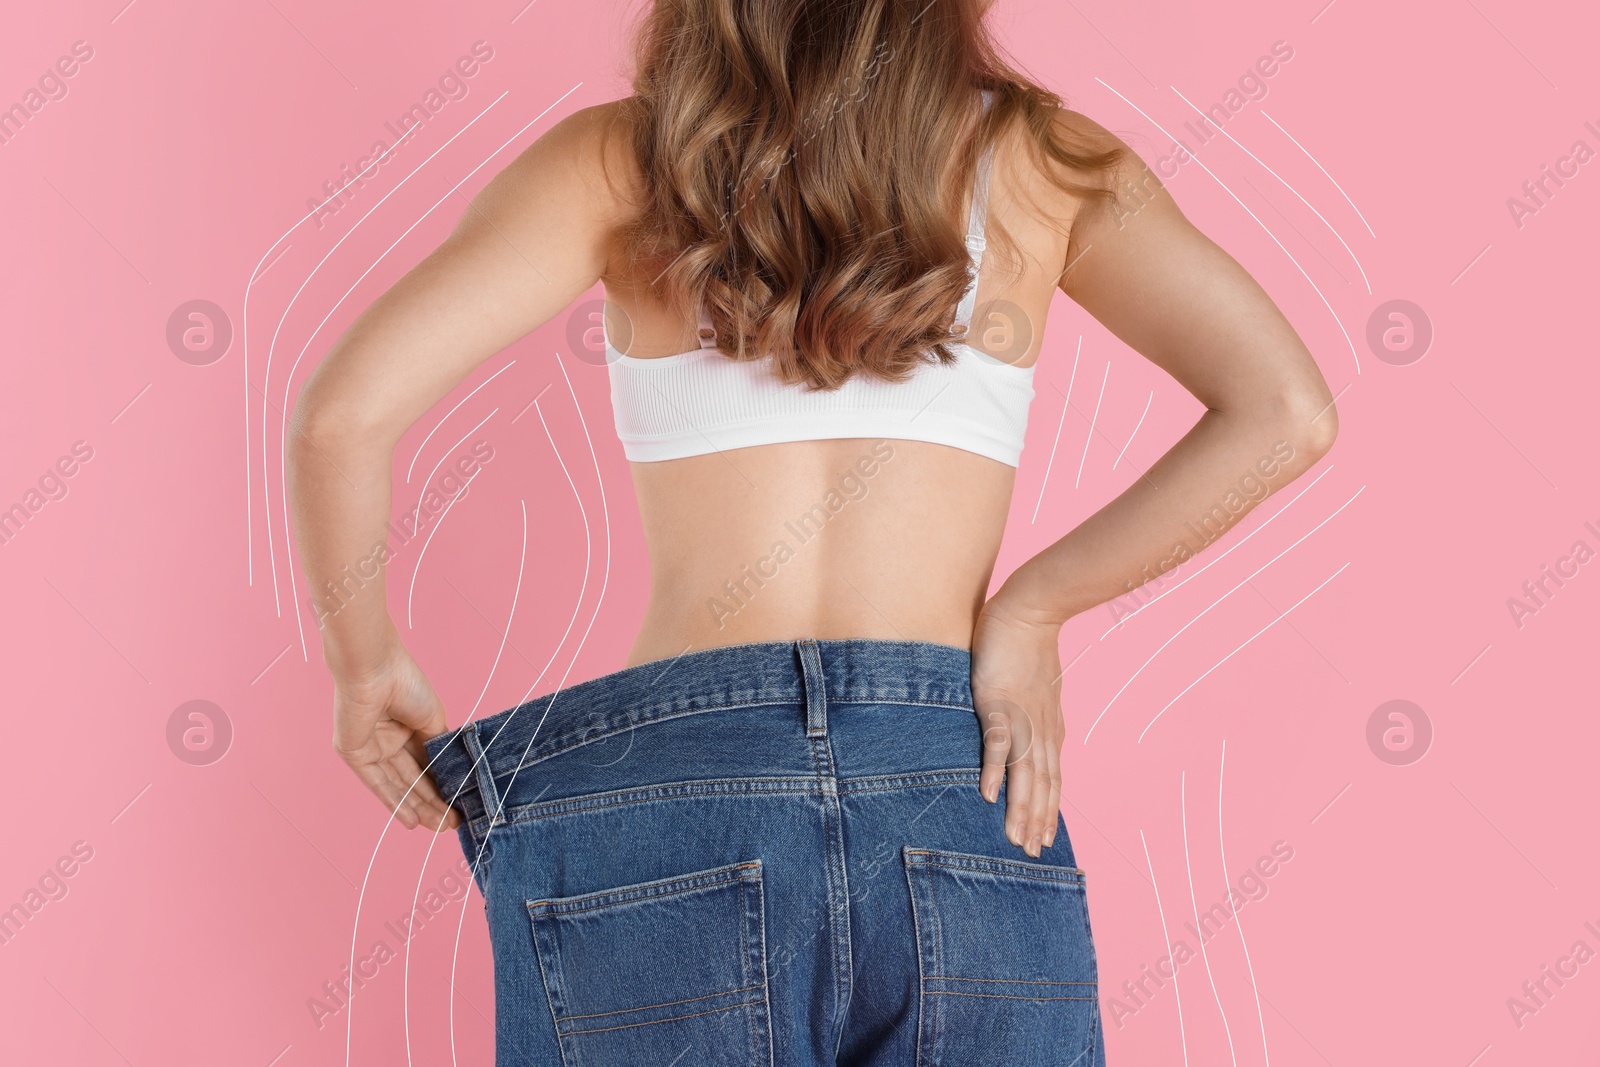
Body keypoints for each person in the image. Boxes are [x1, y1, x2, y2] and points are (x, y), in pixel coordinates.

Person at [287, 3, 1337, 1063]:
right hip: (954, 780)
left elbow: (339, 418)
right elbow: (1285, 412)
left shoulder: (623, 162)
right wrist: (1035, 605)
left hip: (679, 790)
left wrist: (362, 664)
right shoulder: (1043, 162)